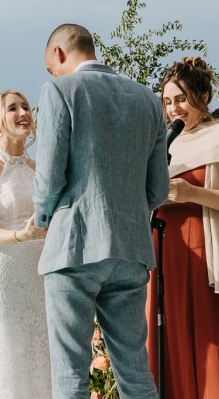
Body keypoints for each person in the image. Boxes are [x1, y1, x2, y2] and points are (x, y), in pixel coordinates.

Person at [32, 24, 168, 398]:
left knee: (69, 376)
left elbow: (48, 179)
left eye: (50, 66)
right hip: (131, 251)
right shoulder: (147, 99)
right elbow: (158, 189)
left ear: (58, 54)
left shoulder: (60, 90)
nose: (52, 73)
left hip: (73, 246)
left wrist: (44, 218)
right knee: (136, 374)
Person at [145, 56, 219, 398]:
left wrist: (192, 193)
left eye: (180, 99)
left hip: (207, 254)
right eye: (167, 101)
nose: (174, 109)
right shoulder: (160, 143)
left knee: (212, 340)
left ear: (203, 98)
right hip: (161, 253)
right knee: (167, 341)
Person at [0, 89, 50, 398]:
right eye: (12, 108)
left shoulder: (40, 169)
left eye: (25, 106)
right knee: (7, 356)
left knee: (42, 356)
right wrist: (20, 236)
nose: (23, 112)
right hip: (2, 277)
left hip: (40, 274)